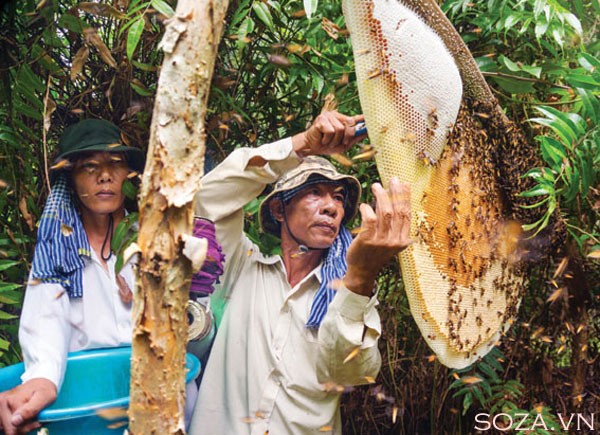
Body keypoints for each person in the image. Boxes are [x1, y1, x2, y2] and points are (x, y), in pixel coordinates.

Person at [189, 110, 412, 434]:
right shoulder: (241, 267)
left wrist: (361, 278)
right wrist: (303, 145)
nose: (331, 207)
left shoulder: (347, 290)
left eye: (338, 198)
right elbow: (206, 199)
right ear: (279, 209)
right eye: (314, 192)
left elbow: (351, 374)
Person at [0, 119, 145, 435]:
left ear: (129, 176)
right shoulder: (59, 247)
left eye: (115, 164)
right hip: (92, 407)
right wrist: (43, 377)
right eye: (89, 166)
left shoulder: (150, 240)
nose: (104, 176)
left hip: (156, 394)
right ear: (71, 177)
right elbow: (45, 317)